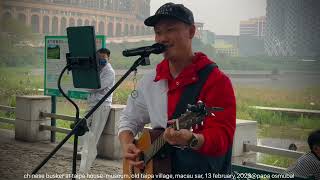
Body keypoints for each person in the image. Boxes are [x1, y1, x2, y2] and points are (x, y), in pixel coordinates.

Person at [118, 2, 236, 176]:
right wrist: (127, 143)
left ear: (191, 32)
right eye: (158, 32)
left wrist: (192, 139)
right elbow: (129, 119)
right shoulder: (150, 80)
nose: (163, 38)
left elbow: (222, 136)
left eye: (170, 30)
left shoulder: (217, 81)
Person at [78, 48, 115, 174]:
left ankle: (87, 164)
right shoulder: (97, 69)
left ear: (108, 58)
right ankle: (83, 151)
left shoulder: (109, 71)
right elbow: (91, 85)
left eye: (104, 58)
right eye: (99, 58)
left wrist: (85, 84)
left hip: (102, 104)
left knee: (95, 132)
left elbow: (96, 86)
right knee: (83, 126)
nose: (101, 60)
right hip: (92, 103)